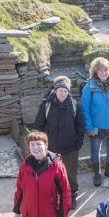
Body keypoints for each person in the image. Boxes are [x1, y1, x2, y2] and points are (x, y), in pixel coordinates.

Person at [34, 76, 85, 209]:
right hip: (52, 148)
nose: (63, 93)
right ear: (55, 91)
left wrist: (78, 144)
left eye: (65, 91)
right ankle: (54, 195)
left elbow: (80, 126)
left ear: (68, 91)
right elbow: (39, 126)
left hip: (70, 148)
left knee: (70, 174)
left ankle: (72, 196)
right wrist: (44, 145)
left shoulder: (74, 105)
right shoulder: (46, 105)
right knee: (52, 173)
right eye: (60, 90)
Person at [81, 57, 109, 186]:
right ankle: (97, 174)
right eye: (100, 70)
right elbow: (85, 108)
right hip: (96, 126)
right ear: (95, 72)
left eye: (106, 70)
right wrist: (89, 127)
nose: (104, 73)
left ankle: (108, 171)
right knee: (95, 151)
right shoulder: (89, 87)